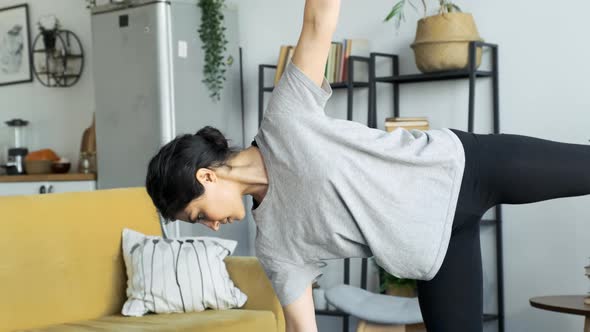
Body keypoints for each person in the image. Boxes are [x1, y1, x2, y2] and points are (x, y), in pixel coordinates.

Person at [145, 0, 590, 331]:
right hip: (438, 258)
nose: (213, 226)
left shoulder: (284, 119)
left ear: (206, 176)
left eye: (198, 215)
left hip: (468, 168)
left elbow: (319, 18)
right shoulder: (275, 248)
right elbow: (303, 327)